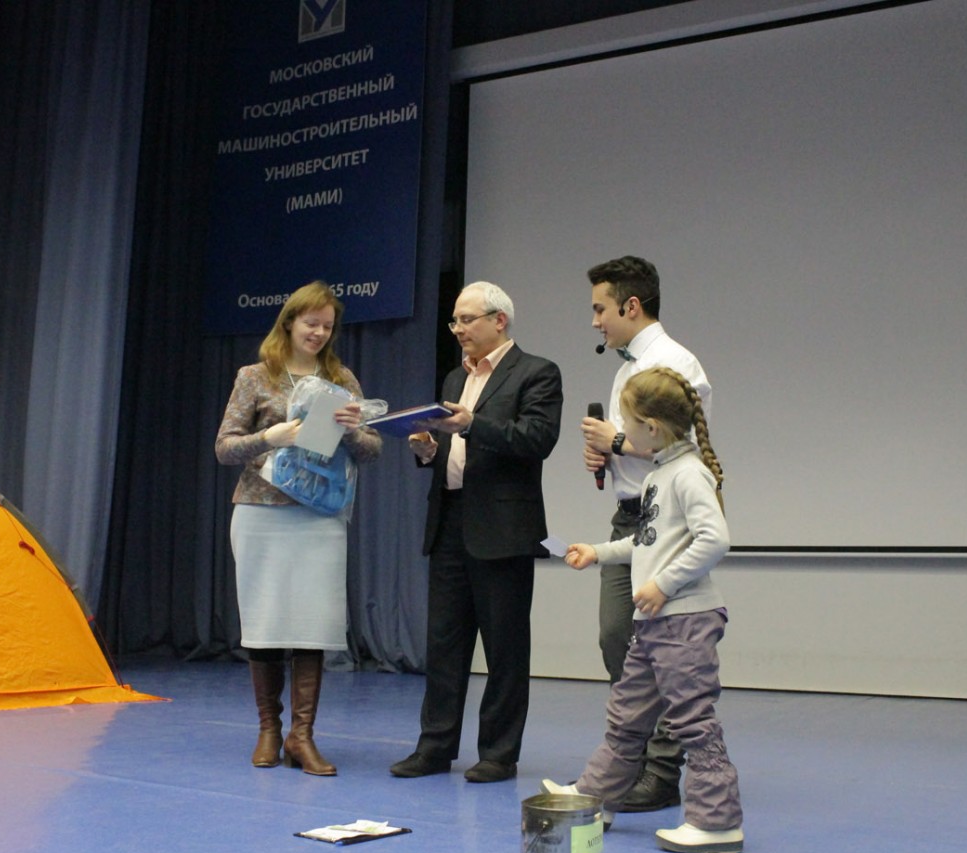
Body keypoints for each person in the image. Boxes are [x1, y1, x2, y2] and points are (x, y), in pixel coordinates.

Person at [545, 366, 742, 853]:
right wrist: (598, 551)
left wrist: (663, 584)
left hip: (685, 621)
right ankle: (598, 796)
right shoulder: (659, 474)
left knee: (693, 721)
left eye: (626, 422)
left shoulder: (688, 474)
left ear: (651, 427)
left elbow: (715, 539)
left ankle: (716, 822)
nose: (621, 431)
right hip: (654, 625)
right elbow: (649, 541)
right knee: (627, 718)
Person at [389, 281, 563, 784]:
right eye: (454, 321)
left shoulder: (536, 372)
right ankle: (434, 747)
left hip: (503, 528)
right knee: (444, 644)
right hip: (449, 521)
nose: (458, 330)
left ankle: (499, 754)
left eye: (466, 320)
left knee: (505, 647)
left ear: (498, 321)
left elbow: (537, 439)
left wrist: (470, 425)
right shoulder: (454, 377)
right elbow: (453, 449)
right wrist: (428, 450)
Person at [214, 280, 382, 776]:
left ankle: (301, 737)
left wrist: (350, 431)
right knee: (264, 623)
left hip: (320, 517)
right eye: (311, 323)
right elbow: (224, 447)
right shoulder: (254, 376)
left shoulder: (341, 378)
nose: (319, 333)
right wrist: (270, 436)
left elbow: (372, 449)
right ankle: (269, 730)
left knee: (313, 624)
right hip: (261, 513)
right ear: (289, 321)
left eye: (327, 326)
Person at [580, 255, 712, 812]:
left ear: (631, 306)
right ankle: (630, 759)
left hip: (665, 520)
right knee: (618, 638)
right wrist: (606, 456)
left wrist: (614, 442)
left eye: (600, 309)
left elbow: (682, 446)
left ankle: (660, 771)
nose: (595, 322)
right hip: (628, 515)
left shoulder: (677, 364)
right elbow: (635, 445)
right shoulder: (624, 366)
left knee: (662, 650)